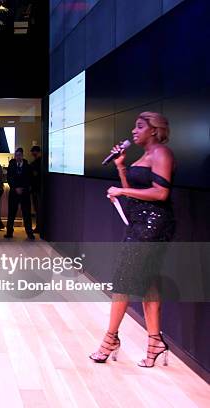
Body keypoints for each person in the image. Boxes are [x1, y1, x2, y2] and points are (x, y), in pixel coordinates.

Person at [90, 112, 175, 367]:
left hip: (153, 226)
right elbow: (135, 195)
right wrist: (121, 168)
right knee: (149, 284)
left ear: (154, 129)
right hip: (138, 224)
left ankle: (110, 339)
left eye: (139, 127)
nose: (134, 131)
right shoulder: (143, 156)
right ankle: (155, 341)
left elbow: (161, 193)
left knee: (123, 282)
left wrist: (121, 190)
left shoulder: (161, 154)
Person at [5, 148, 34, 239]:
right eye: (16, 155)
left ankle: (29, 232)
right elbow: (9, 178)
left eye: (19, 155)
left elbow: (30, 179)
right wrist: (15, 188)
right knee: (11, 213)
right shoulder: (11, 165)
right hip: (14, 192)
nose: (17, 157)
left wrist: (23, 188)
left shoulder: (27, 166)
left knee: (26, 213)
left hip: (24, 193)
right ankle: (9, 232)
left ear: (22, 155)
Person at [29, 145, 42, 234]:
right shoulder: (40, 162)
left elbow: (34, 175)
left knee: (38, 209)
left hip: (37, 189)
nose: (33, 154)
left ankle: (39, 227)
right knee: (38, 209)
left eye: (34, 152)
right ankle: (39, 226)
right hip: (36, 189)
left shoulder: (37, 163)